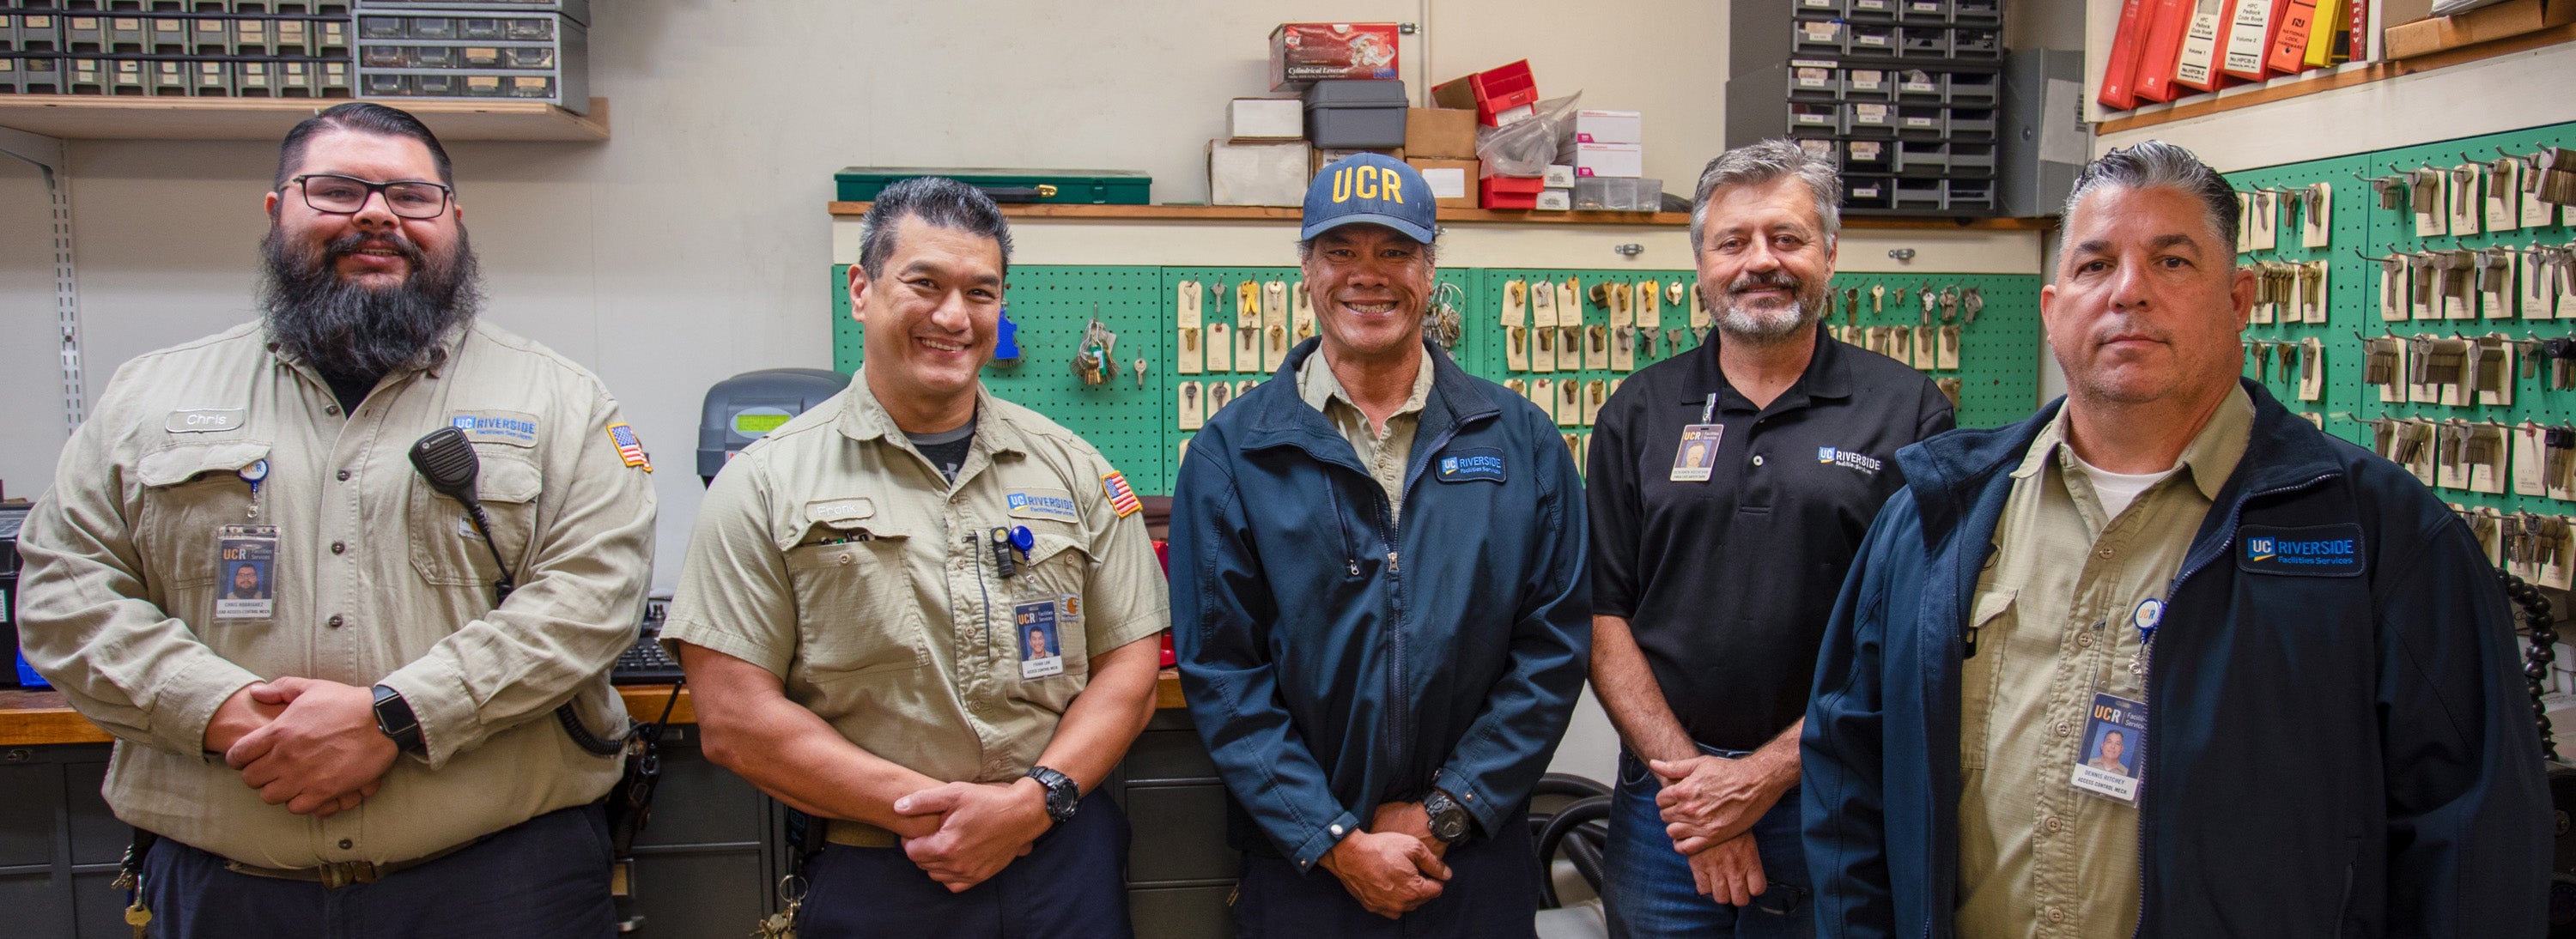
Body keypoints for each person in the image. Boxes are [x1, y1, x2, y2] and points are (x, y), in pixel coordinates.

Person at [1802, 140, 2550, 937]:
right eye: (2096, 266)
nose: (2130, 292)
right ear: (2053, 310)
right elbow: (1849, 776)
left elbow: (2472, 841)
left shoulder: (2379, 535)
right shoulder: (1934, 516)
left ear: (2238, 301)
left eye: (2172, 262)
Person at [15, 101, 657, 936]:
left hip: (500, 883)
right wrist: (224, 713)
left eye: (411, 196)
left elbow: (592, 597)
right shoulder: (150, 398)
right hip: (229, 889)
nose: (378, 213)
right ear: (279, 208)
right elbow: (66, 594)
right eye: (339, 189)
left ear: (452, 221)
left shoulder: (559, 400)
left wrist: (395, 714)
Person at [665, 176, 1168, 937]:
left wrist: (1028, 805)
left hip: (1061, 859)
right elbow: (735, 719)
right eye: (924, 284)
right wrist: (944, 818)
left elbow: (1129, 671)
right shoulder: (763, 483)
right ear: (862, 290)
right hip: (880, 870)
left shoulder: (1077, 470)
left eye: (981, 292)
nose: (953, 316)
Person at [1170, 154, 1592, 936]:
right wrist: (1334, 840)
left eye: (1395, 251)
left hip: (1472, 860)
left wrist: (1447, 810)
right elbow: (1223, 673)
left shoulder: (1522, 439)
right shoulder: (1233, 453)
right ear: (1306, 268)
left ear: (1431, 269)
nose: (1369, 275)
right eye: (1342, 251)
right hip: (1301, 865)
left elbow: (1553, 649)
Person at [1585, 140, 1953, 938]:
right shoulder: (1638, 412)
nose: (1761, 262)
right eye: (1734, 242)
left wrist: (1759, 777)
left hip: (1833, 791)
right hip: (1667, 809)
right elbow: (1601, 616)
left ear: (1828, 254)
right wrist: (1700, 791)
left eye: (1785, 238)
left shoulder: (1908, 412)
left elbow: (1910, 633)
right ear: (1700, 267)